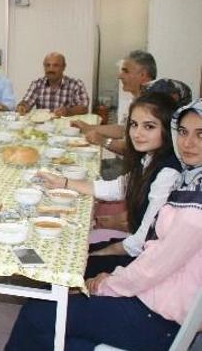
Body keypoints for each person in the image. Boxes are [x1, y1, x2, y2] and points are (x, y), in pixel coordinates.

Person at [5, 98, 202, 351]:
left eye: (200, 134)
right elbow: (122, 192)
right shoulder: (188, 180)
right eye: (184, 132)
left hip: (156, 317)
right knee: (54, 324)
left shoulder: (192, 206)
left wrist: (105, 284)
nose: (187, 143)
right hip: (156, 300)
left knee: (37, 314)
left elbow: (151, 265)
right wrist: (64, 183)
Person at [38, 92, 182, 277]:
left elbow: (141, 242)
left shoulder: (167, 174)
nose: (137, 133)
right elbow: (116, 188)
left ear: (168, 129)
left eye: (149, 126)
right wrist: (63, 182)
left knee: (63, 265)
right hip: (136, 249)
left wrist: (100, 253)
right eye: (134, 125)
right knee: (63, 251)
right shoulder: (150, 158)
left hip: (142, 264)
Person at [72, 50, 158, 156]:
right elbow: (123, 129)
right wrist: (88, 127)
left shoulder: (151, 105)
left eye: (125, 71)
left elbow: (133, 149)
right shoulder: (139, 99)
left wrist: (103, 141)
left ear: (143, 75)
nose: (120, 76)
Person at [16, 52, 89, 117]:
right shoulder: (37, 84)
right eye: (47, 65)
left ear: (64, 67)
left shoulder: (75, 84)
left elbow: (84, 108)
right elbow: (27, 102)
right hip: (42, 127)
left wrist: (68, 111)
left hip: (67, 127)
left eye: (55, 65)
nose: (51, 69)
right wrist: (22, 106)